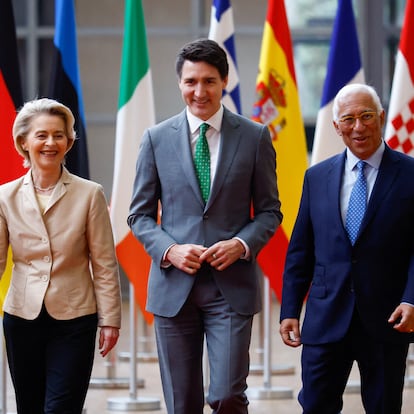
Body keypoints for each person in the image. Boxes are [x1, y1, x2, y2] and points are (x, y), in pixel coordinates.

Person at [128, 38, 282, 414]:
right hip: (172, 287)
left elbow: (269, 211)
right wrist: (170, 249)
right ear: (180, 83)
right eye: (191, 81)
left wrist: (242, 244)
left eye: (209, 81)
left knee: (227, 395)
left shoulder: (255, 136)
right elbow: (139, 215)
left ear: (225, 81)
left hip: (230, 287)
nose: (200, 91)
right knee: (182, 404)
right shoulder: (155, 139)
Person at [279, 83, 414, 414]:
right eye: (349, 118)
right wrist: (290, 309)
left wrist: (412, 299)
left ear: (381, 117)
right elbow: (301, 251)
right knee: (315, 405)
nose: (358, 126)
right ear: (336, 126)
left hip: (387, 317)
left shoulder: (410, 174)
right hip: (325, 318)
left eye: (366, 116)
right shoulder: (317, 177)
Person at [0, 98, 122, 413]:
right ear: (23, 142)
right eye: (41, 135)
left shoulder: (90, 193)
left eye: (59, 135)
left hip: (75, 318)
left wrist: (111, 320)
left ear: (68, 141)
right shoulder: (5, 196)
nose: (50, 143)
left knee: (61, 408)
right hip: (21, 318)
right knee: (30, 406)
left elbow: (104, 263)